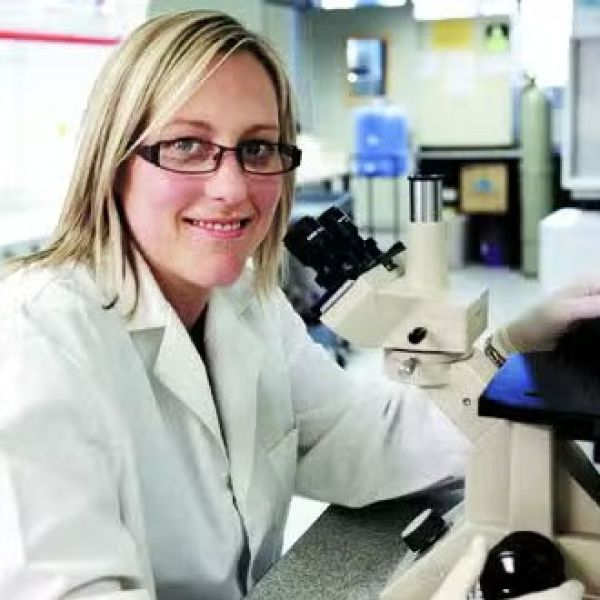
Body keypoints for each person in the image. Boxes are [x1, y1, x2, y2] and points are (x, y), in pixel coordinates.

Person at [0, 10, 599, 600]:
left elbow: (364, 439)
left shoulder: (243, 300)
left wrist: (517, 348)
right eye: (187, 144)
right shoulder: (36, 341)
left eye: (258, 147)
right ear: (113, 158)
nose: (233, 189)